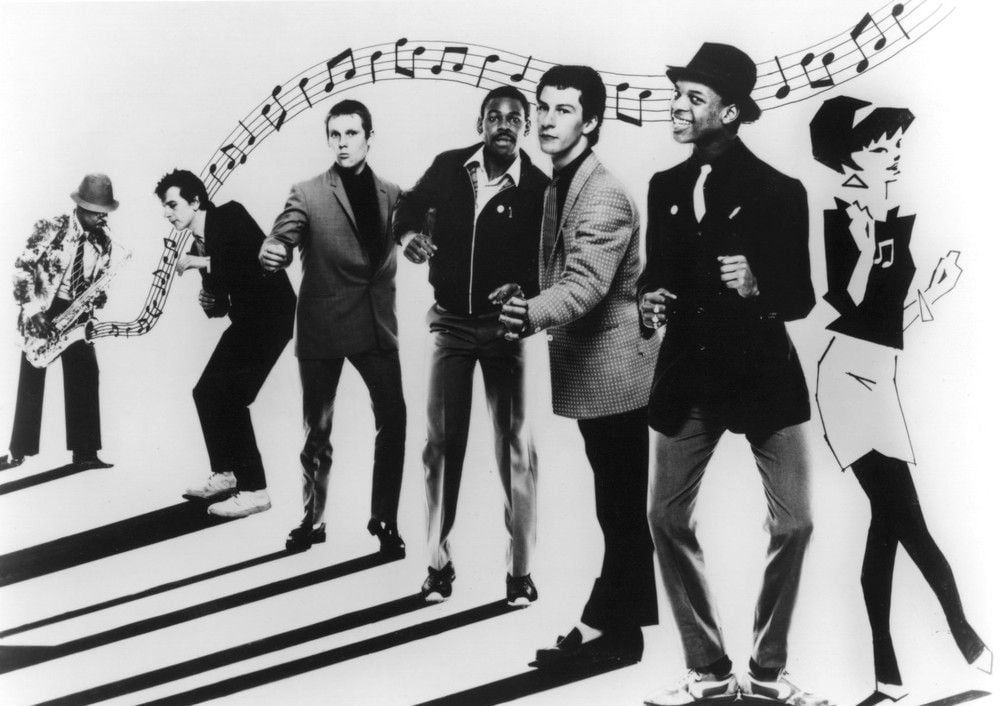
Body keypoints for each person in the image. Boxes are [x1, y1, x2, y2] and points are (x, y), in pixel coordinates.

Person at [638, 44, 826, 705]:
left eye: (694, 98)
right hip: (687, 377)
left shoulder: (780, 190)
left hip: (761, 378)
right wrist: (647, 299)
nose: (677, 107)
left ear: (731, 112)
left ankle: (768, 674)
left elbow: (802, 296)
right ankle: (710, 672)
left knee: (795, 523)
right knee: (664, 515)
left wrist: (757, 284)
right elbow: (655, 272)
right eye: (678, 94)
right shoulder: (663, 186)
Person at [810, 95, 991, 706]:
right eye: (879, 146)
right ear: (849, 158)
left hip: (879, 381)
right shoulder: (842, 216)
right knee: (908, 522)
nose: (893, 155)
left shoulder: (890, 214)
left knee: (887, 526)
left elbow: (890, 320)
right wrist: (865, 250)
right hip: (847, 382)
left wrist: (932, 292)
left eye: (896, 144)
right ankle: (972, 645)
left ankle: (888, 681)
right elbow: (843, 307)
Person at [499, 65, 659, 667]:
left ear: (590, 122)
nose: (545, 120)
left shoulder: (604, 193)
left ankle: (606, 629)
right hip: (596, 373)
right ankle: (623, 632)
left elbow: (587, 284)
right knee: (617, 508)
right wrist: (526, 292)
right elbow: (562, 270)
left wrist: (530, 313)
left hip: (616, 375)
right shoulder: (561, 183)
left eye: (562, 109)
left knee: (619, 510)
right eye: (542, 106)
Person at [393, 85, 547, 606]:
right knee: (440, 445)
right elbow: (408, 205)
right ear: (480, 123)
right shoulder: (449, 167)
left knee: (516, 448)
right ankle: (438, 566)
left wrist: (527, 289)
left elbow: (551, 261)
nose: (504, 125)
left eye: (514, 118)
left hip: (506, 329)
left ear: (526, 127)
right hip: (451, 325)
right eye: (494, 116)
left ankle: (520, 573)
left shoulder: (539, 188)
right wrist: (407, 236)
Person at [260, 99, 407, 556]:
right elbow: (282, 236)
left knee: (394, 420)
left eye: (351, 134)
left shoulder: (394, 193)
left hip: (376, 325)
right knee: (317, 431)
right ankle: (313, 519)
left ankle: (384, 519)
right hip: (323, 324)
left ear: (369, 137)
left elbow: (413, 234)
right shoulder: (307, 193)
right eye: (335, 135)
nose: (342, 143)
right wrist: (272, 249)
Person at [156, 169, 295, 518]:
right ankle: (225, 475)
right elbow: (219, 306)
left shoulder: (231, 214)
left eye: (172, 205)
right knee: (205, 392)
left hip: (273, 316)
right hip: (247, 320)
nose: (167, 213)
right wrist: (209, 302)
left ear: (195, 201)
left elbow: (258, 264)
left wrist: (204, 263)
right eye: (164, 207)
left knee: (231, 398)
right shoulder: (197, 244)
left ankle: (255, 491)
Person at [0, 174, 120, 473]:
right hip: (43, 308)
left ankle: (86, 453)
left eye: (105, 211)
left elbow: (100, 283)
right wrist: (33, 311)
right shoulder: (51, 227)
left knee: (86, 373)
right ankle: (18, 452)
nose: (103, 217)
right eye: (97, 211)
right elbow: (21, 268)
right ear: (81, 207)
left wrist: (98, 299)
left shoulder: (104, 240)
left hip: (76, 313)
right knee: (32, 376)